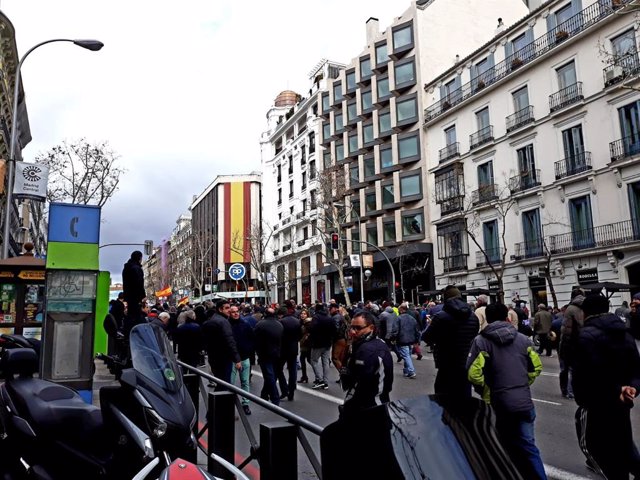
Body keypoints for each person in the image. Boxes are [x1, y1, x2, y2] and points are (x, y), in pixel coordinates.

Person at [467, 302, 546, 479]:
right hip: (524, 402)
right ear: (507, 317)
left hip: (496, 403)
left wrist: (487, 388)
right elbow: (536, 368)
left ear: (487, 318)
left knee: (498, 447)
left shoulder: (481, 341)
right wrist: (522, 383)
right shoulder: (523, 340)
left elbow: (473, 373)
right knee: (529, 447)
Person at [572, 293, 640, 479]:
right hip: (623, 401)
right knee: (624, 444)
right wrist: (632, 388)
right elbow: (636, 367)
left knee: (598, 450)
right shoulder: (625, 333)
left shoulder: (585, 336)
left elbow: (588, 374)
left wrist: (614, 391)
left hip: (597, 404)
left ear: (585, 312)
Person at [423, 285, 479, 398]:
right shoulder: (473, 317)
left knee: (443, 399)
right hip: (466, 363)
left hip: (446, 364)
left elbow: (426, 337)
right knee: (464, 397)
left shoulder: (440, 317)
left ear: (445, 299)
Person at [339, 311, 393, 419]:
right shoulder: (378, 343)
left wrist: (348, 407)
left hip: (367, 406)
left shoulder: (366, 350)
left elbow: (361, 385)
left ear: (371, 327)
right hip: (380, 402)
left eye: (358, 328)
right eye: (352, 328)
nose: (353, 332)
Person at [202, 299, 242, 389]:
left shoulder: (212, 320)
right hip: (223, 358)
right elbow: (229, 340)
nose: (230, 310)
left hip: (214, 357)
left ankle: (218, 402)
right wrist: (237, 359)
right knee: (224, 385)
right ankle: (221, 403)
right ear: (220, 309)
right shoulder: (223, 322)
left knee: (221, 384)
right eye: (227, 308)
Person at [253, 306, 284, 405]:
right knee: (271, 375)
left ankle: (275, 397)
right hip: (276, 353)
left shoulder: (260, 324)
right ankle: (264, 394)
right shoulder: (279, 324)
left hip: (264, 353)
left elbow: (255, 338)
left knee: (269, 375)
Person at [228, 305, 254, 415]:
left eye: (237, 311)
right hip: (231, 358)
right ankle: (230, 405)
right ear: (229, 313)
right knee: (230, 383)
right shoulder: (227, 325)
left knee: (245, 382)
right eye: (233, 312)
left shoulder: (245, 324)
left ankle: (245, 404)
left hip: (244, 357)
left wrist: (248, 351)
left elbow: (252, 338)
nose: (236, 313)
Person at [560, 288, 585, 399]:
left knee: (566, 369)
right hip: (582, 341)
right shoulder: (586, 306)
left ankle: (568, 391)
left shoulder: (570, 309)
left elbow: (566, 330)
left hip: (569, 344)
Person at [309, 303, 336, 390]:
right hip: (327, 343)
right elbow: (334, 329)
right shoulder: (329, 317)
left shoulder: (316, 317)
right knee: (325, 362)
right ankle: (325, 381)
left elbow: (312, 329)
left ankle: (320, 379)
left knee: (314, 361)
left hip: (317, 343)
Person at [278, 306, 302, 401]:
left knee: (279, 369)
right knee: (293, 371)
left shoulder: (281, 322)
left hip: (283, 349)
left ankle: (285, 389)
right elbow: (300, 335)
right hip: (293, 348)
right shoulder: (297, 321)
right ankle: (291, 391)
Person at [396, 303, 420, 379]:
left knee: (406, 356)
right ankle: (406, 371)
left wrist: (393, 338)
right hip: (411, 340)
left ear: (402, 310)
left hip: (402, 340)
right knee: (408, 355)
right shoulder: (412, 318)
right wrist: (417, 340)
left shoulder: (399, 318)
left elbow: (396, 330)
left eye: (399, 309)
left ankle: (411, 371)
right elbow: (416, 330)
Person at [298, 309, 312, 383]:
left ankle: (318, 376)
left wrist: (305, 338)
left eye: (304, 314)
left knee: (309, 360)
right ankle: (304, 376)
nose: (302, 315)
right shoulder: (302, 322)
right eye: (302, 313)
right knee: (304, 359)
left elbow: (309, 332)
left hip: (307, 344)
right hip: (303, 344)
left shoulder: (308, 323)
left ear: (307, 315)